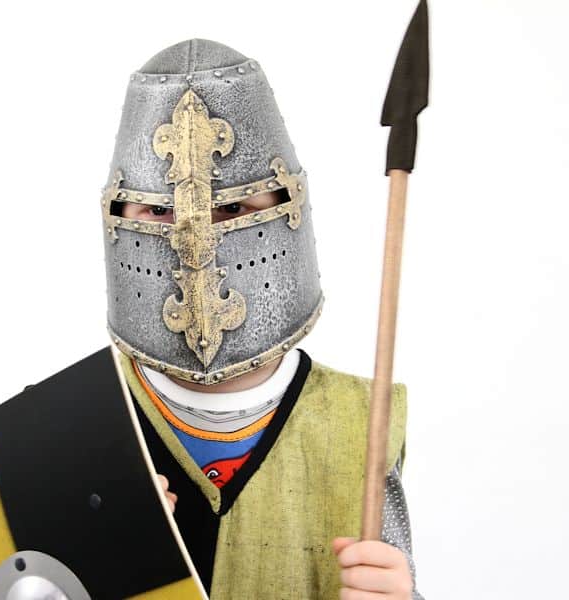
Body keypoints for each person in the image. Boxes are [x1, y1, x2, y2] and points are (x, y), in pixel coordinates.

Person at [101, 39, 424, 599]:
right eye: (159, 210)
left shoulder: (359, 424)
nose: (195, 238)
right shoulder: (78, 421)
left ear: (286, 208)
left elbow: (384, 576)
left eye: (233, 208)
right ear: (117, 216)